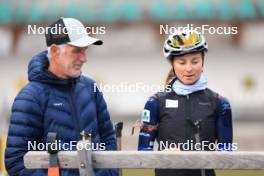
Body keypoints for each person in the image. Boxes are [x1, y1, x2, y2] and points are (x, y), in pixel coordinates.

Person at [5, 17, 118, 176]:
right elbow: (16, 161)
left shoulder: (91, 88)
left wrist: (109, 173)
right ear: (55, 51)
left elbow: (108, 140)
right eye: (77, 51)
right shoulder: (30, 97)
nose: (84, 58)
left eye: (85, 51)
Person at [138, 30, 233, 176]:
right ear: (172, 64)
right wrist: (163, 155)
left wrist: (195, 155)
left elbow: (226, 156)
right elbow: (142, 156)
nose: (189, 68)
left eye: (195, 61)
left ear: (203, 61)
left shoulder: (220, 103)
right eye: (182, 62)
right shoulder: (155, 103)